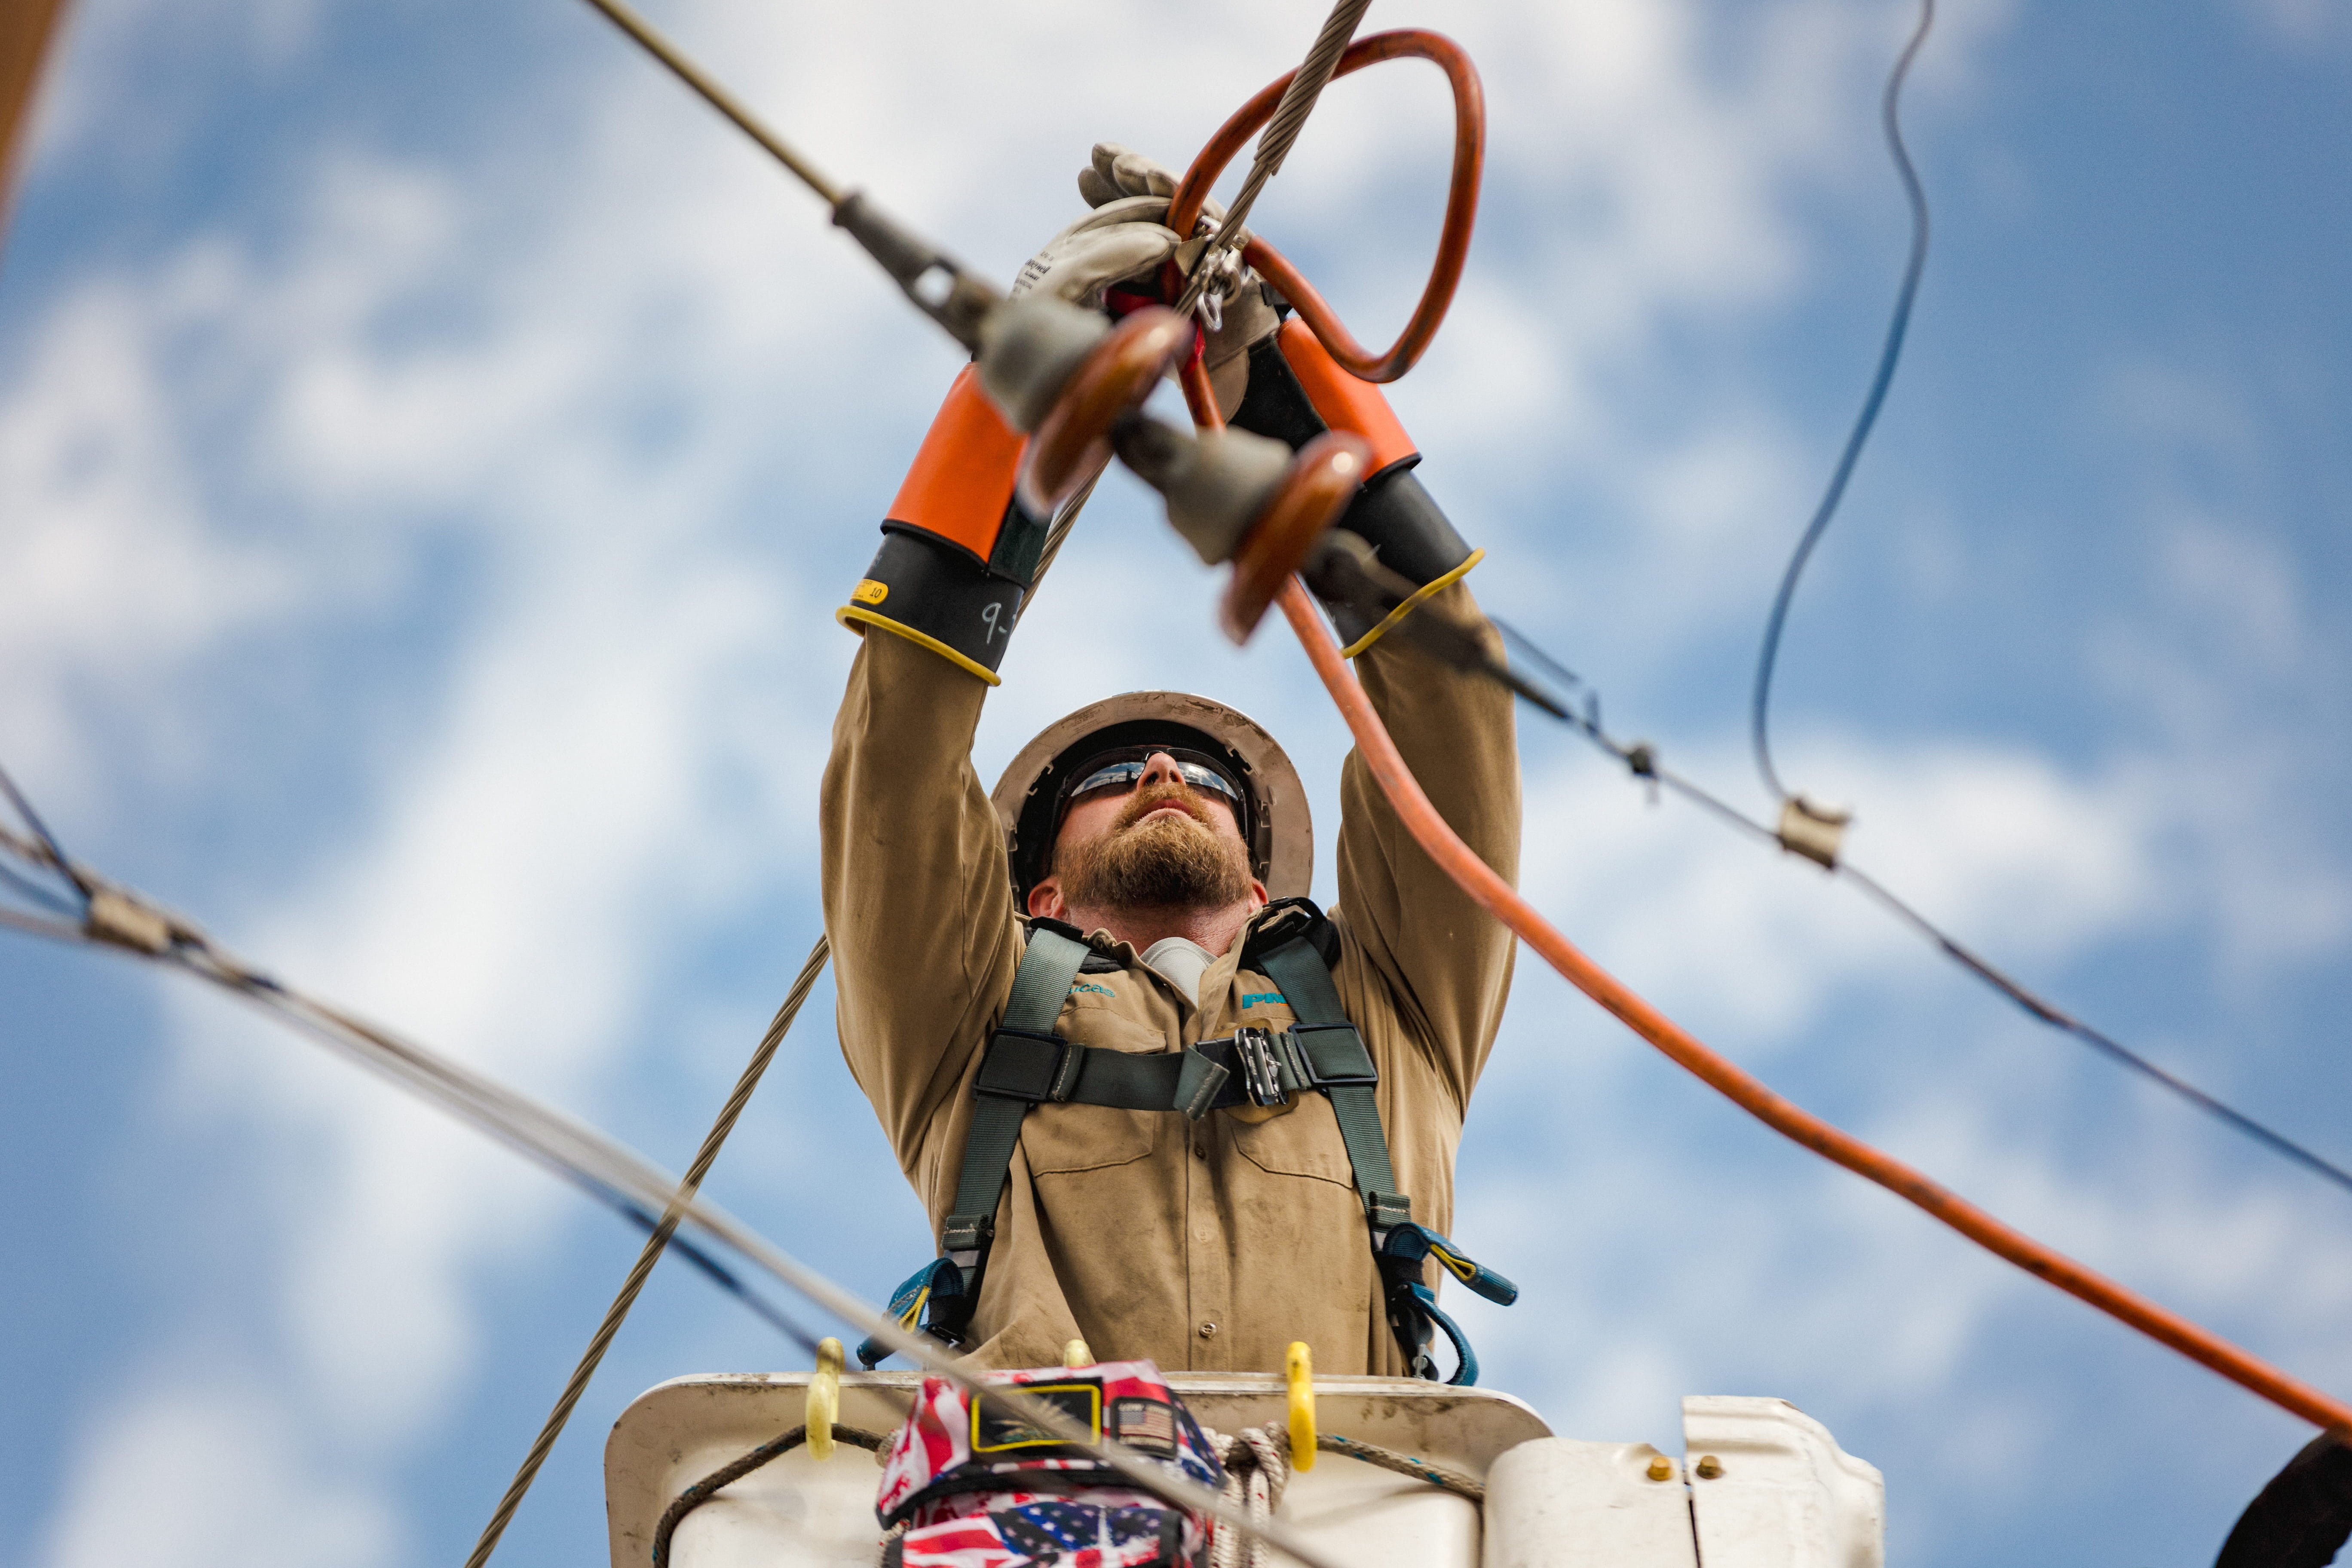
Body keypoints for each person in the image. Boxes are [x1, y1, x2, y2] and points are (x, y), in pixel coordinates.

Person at [820, 146, 1521, 1381]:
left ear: (1264, 888)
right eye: (1107, 783)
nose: (1156, 768)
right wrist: (1025, 381)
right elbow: (897, 758)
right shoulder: (964, 1027)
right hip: (1051, 1518)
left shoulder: (1390, 1010)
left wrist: (1274, 395)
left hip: (1354, 1513)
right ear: (1034, 898)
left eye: (1203, 777)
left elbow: (1446, 709)